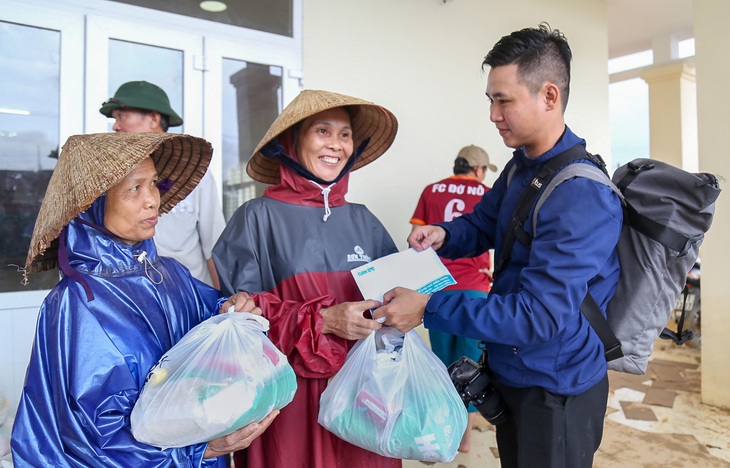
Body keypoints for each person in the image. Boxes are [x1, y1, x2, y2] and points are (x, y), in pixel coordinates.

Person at [373, 23, 623, 468]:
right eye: (490, 99)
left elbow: (539, 316)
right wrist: (445, 234)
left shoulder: (581, 195)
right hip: (515, 370)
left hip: (554, 388)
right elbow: (486, 224)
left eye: (503, 100)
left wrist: (428, 308)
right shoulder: (521, 165)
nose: (493, 114)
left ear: (549, 96)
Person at [11, 132, 277, 466]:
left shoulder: (169, 273)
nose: (152, 199)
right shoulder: (77, 302)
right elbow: (92, 437)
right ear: (92, 204)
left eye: (153, 184)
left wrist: (228, 310)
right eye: (134, 188)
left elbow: (207, 312)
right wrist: (200, 451)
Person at [213, 89, 401, 468]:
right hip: (288, 401)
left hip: (362, 399)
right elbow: (238, 320)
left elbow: (396, 308)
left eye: (345, 134)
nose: (336, 144)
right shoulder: (256, 218)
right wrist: (324, 321)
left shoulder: (366, 221)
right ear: (291, 142)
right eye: (322, 131)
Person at [409, 144, 497, 453]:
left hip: (438, 291)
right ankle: (465, 439)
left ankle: (440, 431)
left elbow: (417, 241)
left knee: (443, 364)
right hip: (475, 289)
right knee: (471, 365)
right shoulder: (488, 193)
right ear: (478, 170)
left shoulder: (431, 190)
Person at [99, 80, 225, 289]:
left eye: (122, 116)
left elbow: (213, 245)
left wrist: (223, 304)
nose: (115, 126)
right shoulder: (111, 177)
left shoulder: (195, 175)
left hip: (192, 298)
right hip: (137, 299)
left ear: (153, 119)